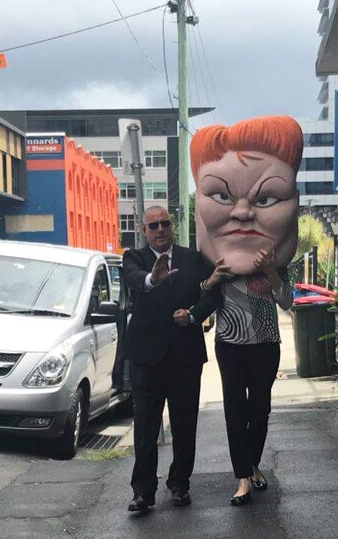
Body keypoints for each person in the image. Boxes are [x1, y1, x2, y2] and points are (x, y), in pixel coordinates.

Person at [190, 116, 300, 506]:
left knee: (262, 408)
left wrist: (271, 272)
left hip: (266, 343)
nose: (240, 213)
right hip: (231, 343)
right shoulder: (218, 264)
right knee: (235, 409)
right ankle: (241, 477)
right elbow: (202, 302)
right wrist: (213, 279)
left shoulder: (275, 262)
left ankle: (254, 463)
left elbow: (287, 301)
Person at [122, 205, 215, 514]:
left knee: (185, 424)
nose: (159, 229)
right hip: (146, 359)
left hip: (185, 356)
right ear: (144, 231)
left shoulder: (193, 258)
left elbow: (211, 294)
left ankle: (179, 484)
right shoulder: (134, 259)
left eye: (164, 224)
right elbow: (136, 280)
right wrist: (153, 278)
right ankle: (143, 491)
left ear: (172, 226)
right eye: (153, 226)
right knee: (146, 426)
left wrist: (193, 315)